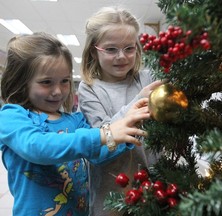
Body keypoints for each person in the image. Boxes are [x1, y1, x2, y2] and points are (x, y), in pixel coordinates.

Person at [0, 32, 150, 216]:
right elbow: (38, 147)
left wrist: (125, 133)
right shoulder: (12, 116)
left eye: (65, 81)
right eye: (46, 82)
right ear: (22, 83)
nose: (57, 91)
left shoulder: (75, 120)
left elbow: (97, 154)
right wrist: (105, 134)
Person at [78, 6, 163, 216]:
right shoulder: (89, 88)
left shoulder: (146, 78)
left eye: (129, 48)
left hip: (154, 187)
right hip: (110, 195)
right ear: (93, 51)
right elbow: (104, 137)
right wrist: (140, 100)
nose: (121, 56)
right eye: (111, 49)